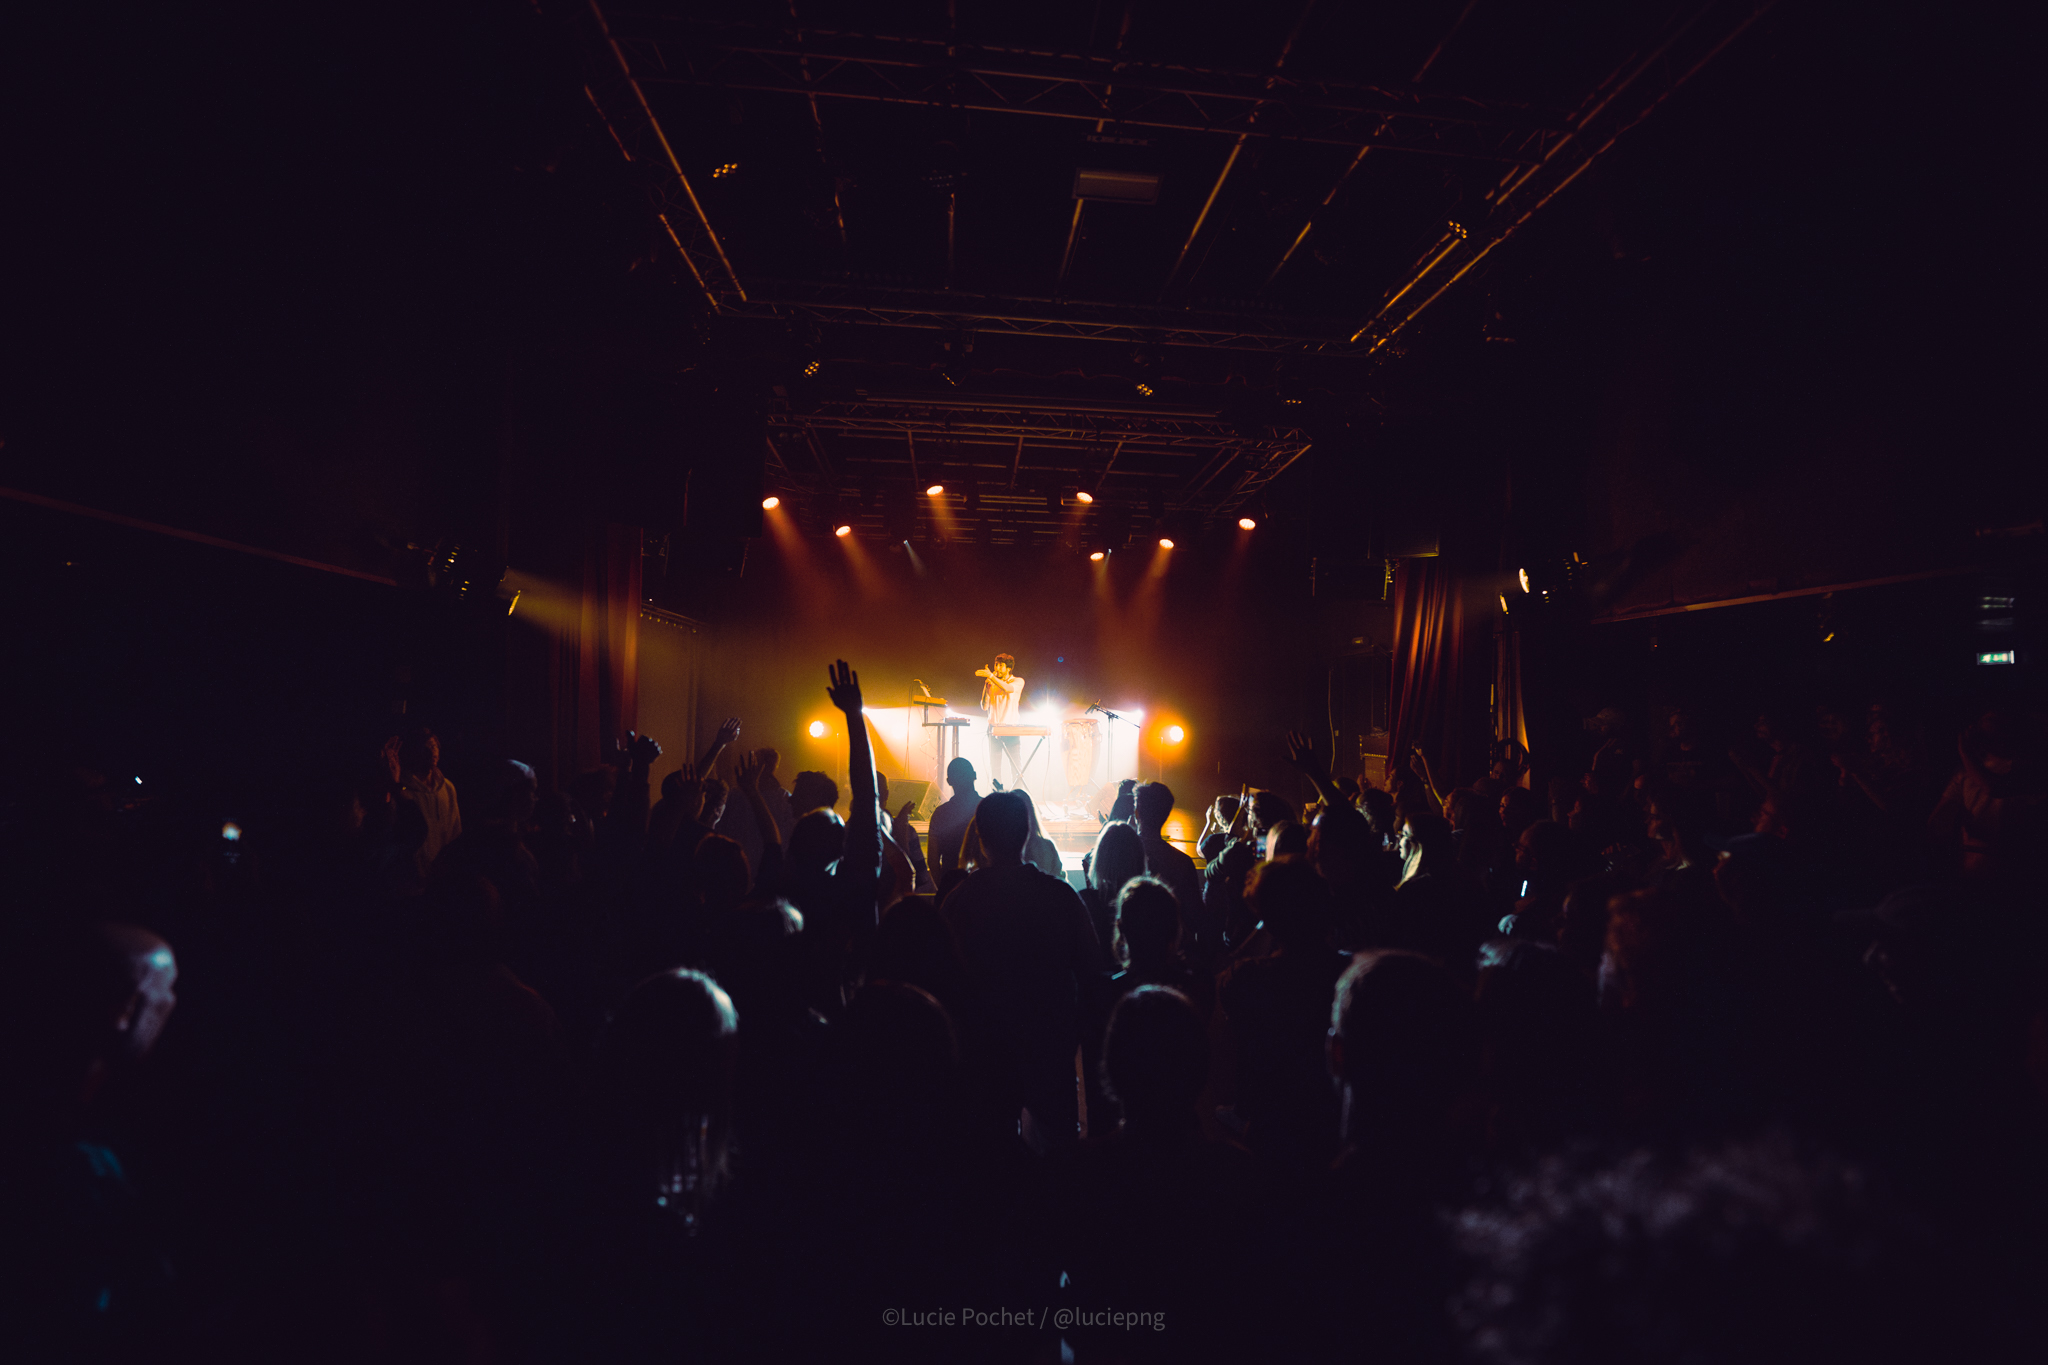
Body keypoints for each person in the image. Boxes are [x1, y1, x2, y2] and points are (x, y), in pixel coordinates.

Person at [940, 790, 1100, 1149]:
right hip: (1049, 1045)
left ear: (980, 837)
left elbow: (943, 978)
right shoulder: (1060, 896)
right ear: (1027, 832)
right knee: (1059, 1148)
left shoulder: (960, 900)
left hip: (985, 1048)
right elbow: (1091, 971)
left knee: (991, 1152)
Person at [1080, 822, 1146, 970]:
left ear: (1099, 859)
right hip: (1139, 980)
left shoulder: (1084, 901)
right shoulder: (1150, 901)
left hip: (1096, 981)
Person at [400, 724, 462, 880]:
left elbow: (455, 832)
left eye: (434, 747)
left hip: (442, 878)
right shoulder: (404, 790)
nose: (431, 752)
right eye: (425, 748)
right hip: (411, 879)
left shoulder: (447, 788)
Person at [974, 653, 1026, 787]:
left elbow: (1008, 688)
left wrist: (991, 676)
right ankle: (997, 795)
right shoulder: (993, 683)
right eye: (996, 665)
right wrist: (986, 686)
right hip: (993, 728)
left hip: (1011, 728)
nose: (997, 668)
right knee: (995, 767)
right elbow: (984, 706)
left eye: (1000, 665)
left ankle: (1018, 794)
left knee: (1016, 766)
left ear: (1008, 668)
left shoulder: (1018, 681)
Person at [927, 756, 981, 882]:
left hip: (951, 883)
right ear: (974, 775)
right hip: (983, 884)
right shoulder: (987, 808)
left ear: (949, 781)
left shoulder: (940, 814)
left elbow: (933, 860)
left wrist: (942, 887)